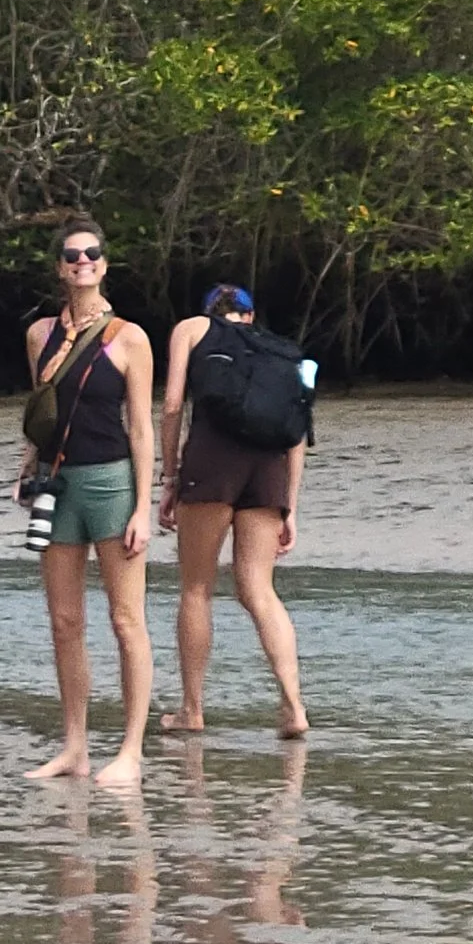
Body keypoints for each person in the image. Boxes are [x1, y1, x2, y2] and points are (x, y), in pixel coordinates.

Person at [16, 218, 156, 786]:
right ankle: (73, 746)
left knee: (126, 620)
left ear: (104, 264)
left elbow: (142, 427)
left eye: (91, 254)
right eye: (72, 256)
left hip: (110, 482)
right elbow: (41, 411)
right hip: (58, 483)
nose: (82, 263)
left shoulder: (130, 336)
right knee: (65, 621)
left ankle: (130, 751)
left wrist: (145, 505)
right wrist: (26, 467)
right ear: (60, 267)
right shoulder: (39, 334)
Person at [157, 283, 310, 739]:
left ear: (210, 311)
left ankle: (192, 709)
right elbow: (298, 431)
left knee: (196, 588)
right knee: (260, 590)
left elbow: (170, 406)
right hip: (269, 468)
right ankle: (294, 706)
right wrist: (290, 507)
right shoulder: (283, 351)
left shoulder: (191, 329)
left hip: (212, 462)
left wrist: (169, 477)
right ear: (250, 314)